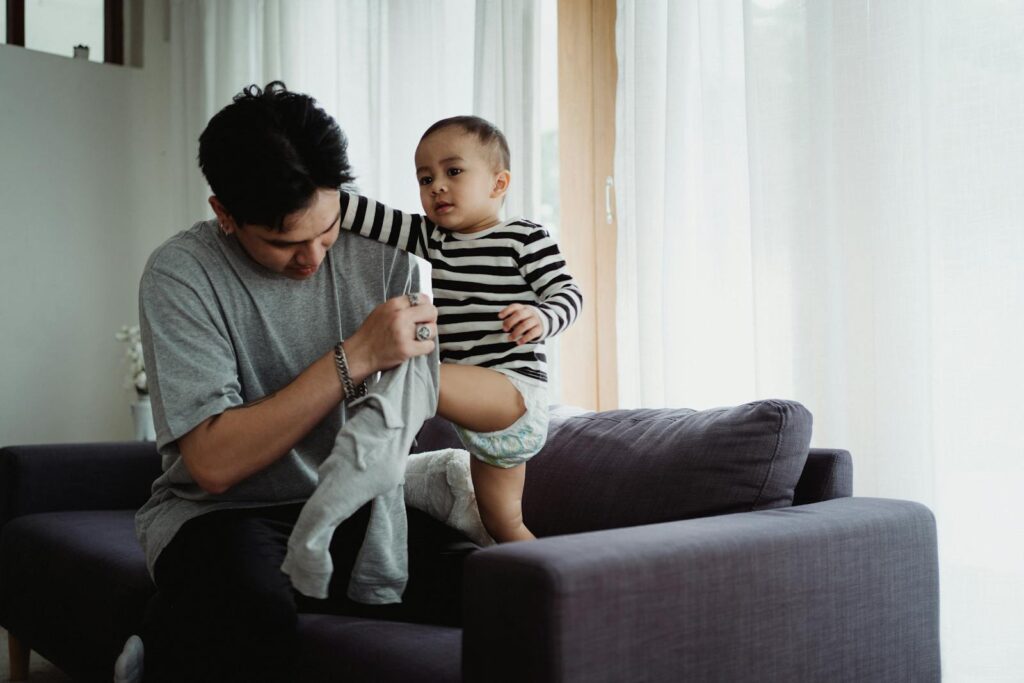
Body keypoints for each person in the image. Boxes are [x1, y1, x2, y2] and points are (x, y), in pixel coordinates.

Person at [116, 82, 464, 683]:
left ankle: (170, 635)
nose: (314, 259)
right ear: (224, 213)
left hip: (345, 501)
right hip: (219, 515)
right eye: (284, 243)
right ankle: (170, 645)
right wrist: (352, 356)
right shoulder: (181, 274)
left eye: (327, 232)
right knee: (254, 608)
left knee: (484, 586)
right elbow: (214, 463)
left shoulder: (387, 250)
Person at [334, 115, 583, 543]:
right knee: (502, 524)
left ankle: (369, 452)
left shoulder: (523, 238)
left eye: (453, 172)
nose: (437, 187)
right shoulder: (432, 238)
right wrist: (309, 190)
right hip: (483, 427)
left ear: (498, 184)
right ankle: (558, 588)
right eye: (425, 178)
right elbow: (366, 216)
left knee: (415, 375)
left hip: (511, 391)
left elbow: (568, 293)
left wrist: (542, 318)